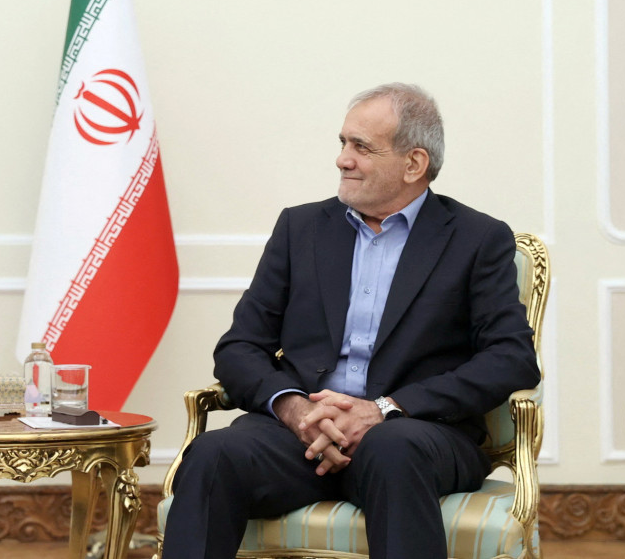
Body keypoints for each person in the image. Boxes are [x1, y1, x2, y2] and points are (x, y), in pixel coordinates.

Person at [161, 83, 541, 559]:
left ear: (414, 164)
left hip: (416, 433)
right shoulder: (300, 229)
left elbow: (511, 359)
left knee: (392, 450)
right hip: (301, 434)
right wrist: (296, 410)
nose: (343, 159)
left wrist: (385, 408)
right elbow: (239, 347)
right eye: (343, 143)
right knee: (214, 456)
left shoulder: (476, 238)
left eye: (361, 147)